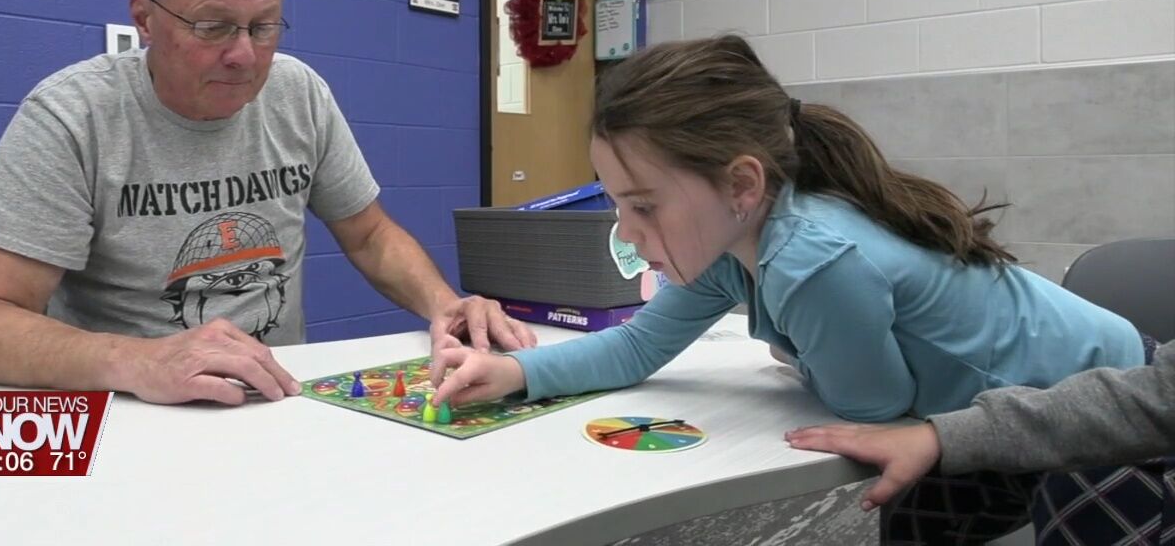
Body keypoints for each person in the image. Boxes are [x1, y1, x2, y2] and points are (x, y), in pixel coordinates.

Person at [427, 34, 1156, 544]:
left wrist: (800, 350)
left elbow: (872, 409)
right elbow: (640, 345)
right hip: (993, 408)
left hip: (1101, 407)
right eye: (615, 201)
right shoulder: (734, 233)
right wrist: (518, 370)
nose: (627, 231)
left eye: (643, 205)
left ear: (741, 184)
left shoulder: (812, 259)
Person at [0, 0, 535, 407]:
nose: (245, 55)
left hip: (271, 403)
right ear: (143, 17)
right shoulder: (74, 116)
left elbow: (370, 234)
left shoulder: (297, 92)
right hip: (130, 412)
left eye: (265, 25)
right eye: (214, 26)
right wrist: (140, 361)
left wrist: (445, 306)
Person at [784, 339, 1173, 509]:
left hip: (1073, 394)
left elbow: (876, 399)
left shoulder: (815, 252)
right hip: (1062, 408)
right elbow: (1153, 397)